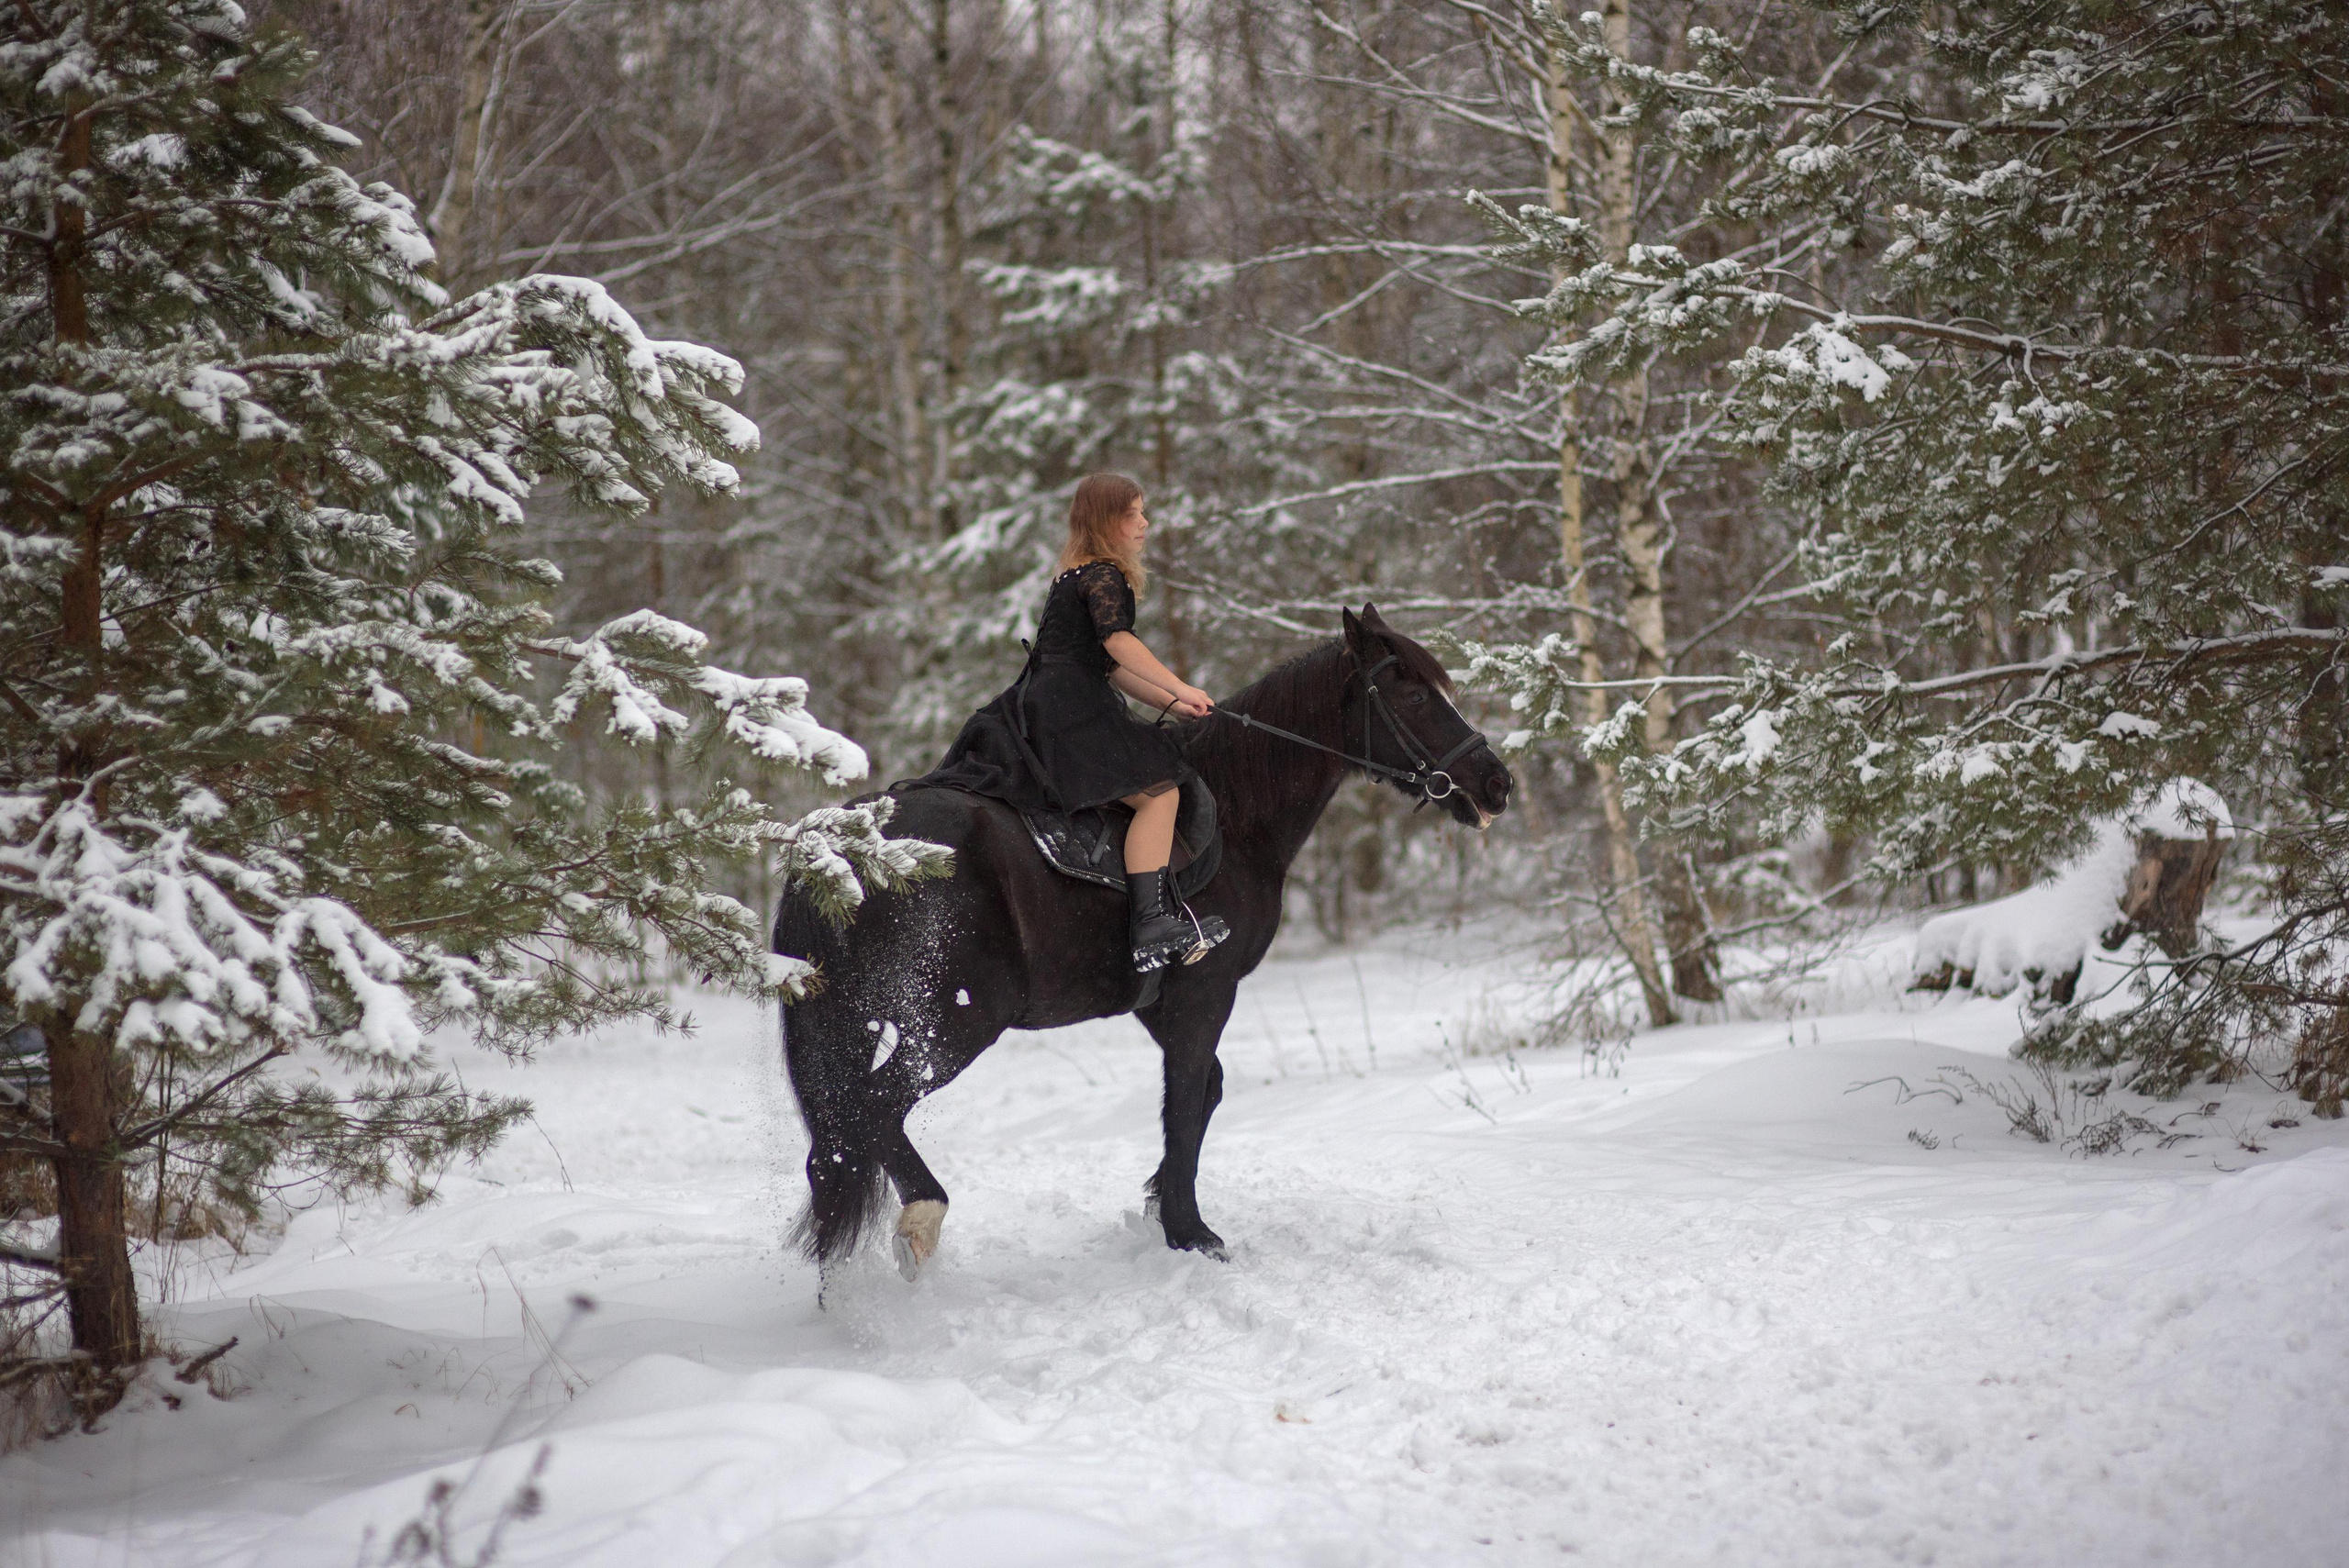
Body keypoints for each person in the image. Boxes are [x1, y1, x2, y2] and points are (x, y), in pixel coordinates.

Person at [909, 473, 1230, 973]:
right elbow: (1119, 643)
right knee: (1160, 795)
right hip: (1073, 708)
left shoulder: (1073, 574)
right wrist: (1182, 686)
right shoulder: (1106, 574)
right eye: (1134, 514)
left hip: (1050, 700)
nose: (1145, 524)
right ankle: (1150, 921)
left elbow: (1111, 666)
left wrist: (1171, 698)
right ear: (1107, 522)